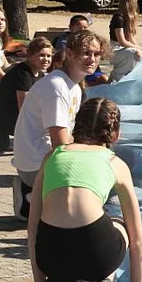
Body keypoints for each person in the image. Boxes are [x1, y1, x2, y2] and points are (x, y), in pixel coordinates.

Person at [28, 97, 142, 282]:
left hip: (51, 256)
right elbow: (137, 238)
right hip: (98, 257)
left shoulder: (53, 156)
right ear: (116, 133)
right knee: (118, 222)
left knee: (52, 227)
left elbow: (32, 228)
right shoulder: (115, 163)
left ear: (75, 127)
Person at [12, 30, 102, 221]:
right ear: (69, 53)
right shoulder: (57, 87)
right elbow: (60, 143)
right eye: (86, 53)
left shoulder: (74, 87)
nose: (92, 59)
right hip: (35, 164)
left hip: (41, 159)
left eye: (96, 54)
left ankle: (37, 195)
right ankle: (33, 197)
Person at [0, 37, 52, 153]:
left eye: (49, 56)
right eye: (41, 55)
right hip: (0, 122)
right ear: (30, 55)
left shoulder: (39, 74)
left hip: (16, 119)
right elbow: (24, 108)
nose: (46, 59)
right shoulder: (22, 75)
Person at [54, 15, 108, 86]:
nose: (83, 30)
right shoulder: (64, 41)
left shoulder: (90, 41)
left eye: (85, 27)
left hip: (87, 71)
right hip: (74, 69)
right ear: (71, 28)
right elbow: (62, 58)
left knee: (104, 78)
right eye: (80, 28)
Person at [108, 0, 142, 82]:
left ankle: (116, 79)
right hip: (115, 50)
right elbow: (122, 41)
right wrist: (138, 48)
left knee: (140, 53)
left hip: (123, 49)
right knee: (136, 53)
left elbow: (130, 38)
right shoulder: (118, 18)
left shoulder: (127, 18)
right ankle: (115, 78)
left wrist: (140, 48)